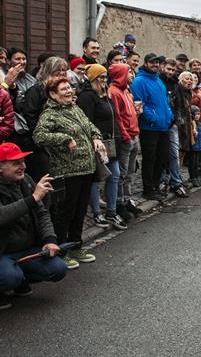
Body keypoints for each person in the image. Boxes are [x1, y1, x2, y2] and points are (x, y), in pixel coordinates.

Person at [33, 78, 105, 270]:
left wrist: (97, 138)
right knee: (65, 212)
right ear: (53, 94)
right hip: (67, 171)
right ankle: (61, 251)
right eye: (63, 89)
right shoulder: (50, 114)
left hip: (86, 168)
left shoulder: (75, 108)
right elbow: (39, 136)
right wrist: (65, 138)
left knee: (80, 210)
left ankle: (76, 246)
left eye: (69, 88)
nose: (69, 91)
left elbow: (90, 127)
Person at [0, 143, 66, 310]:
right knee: (9, 277)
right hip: (3, 252)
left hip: (25, 249)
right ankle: (8, 283)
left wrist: (50, 240)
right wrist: (33, 198)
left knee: (58, 269)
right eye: (16, 163)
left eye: (23, 161)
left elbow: (42, 214)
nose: (23, 166)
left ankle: (20, 280)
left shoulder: (26, 181)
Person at [77, 64, 126, 230]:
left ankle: (111, 211)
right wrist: (93, 140)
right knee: (95, 179)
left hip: (111, 144)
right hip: (97, 144)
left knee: (115, 175)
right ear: (92, 78)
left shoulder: (105, 95)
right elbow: (87, 122)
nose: (104, 80)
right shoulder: (87, 97)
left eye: (106, 77)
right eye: (101, 77)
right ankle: (97, 213)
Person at [131, 53, 173, 201]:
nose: (155, 65)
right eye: (152, 63)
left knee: (162, 158)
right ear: (146, 63)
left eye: (157, 63)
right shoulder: (139, 81)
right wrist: (153, 118)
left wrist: (169, 116)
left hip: (163, 126)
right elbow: (139, 104)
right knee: (150, 159)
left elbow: (165, 102)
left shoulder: (158, 81)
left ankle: (155, 185)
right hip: (149, 127)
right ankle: (148, 189)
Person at [107, 63, 141, 220]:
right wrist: (125, 134)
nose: (131, 75)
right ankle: (119, 203)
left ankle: (127, 200)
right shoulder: (114, 92)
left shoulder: (127, 90)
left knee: (130, 172)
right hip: (126, 137)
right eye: (129, 72)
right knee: (121, 172)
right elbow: (117, 116)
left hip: (134, 135)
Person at [159, 59, 186, 196]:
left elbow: (179, 104)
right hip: (159, 123)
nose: (170, 72)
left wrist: (176, 121)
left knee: (174, 154)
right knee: (161, 155)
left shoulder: (176, 84)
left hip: (172, 124)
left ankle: (176, 182)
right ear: (163, 67)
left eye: (172, 70)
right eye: (168, 69)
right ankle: (162, 181)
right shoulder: (158, 81)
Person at [173, 71, 194, 195]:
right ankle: (175, 178)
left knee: (183, 152)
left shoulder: (188, 93)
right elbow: (177, 108)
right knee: (178, 152)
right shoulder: (177, 91)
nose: (190, 81)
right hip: (179, 125)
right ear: (181, 80)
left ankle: (178, 176)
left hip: (186, 124)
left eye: (191, 79)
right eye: (187, 79)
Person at [188, 106, 201, 186]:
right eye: (196, 114)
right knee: (192, 163)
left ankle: (196, 176)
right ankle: (192, 177)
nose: (198, 116)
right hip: (193, 147)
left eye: (199, 114)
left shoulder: (200, 124)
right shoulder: (191, 124)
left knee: (197, 163)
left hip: (199, 147)